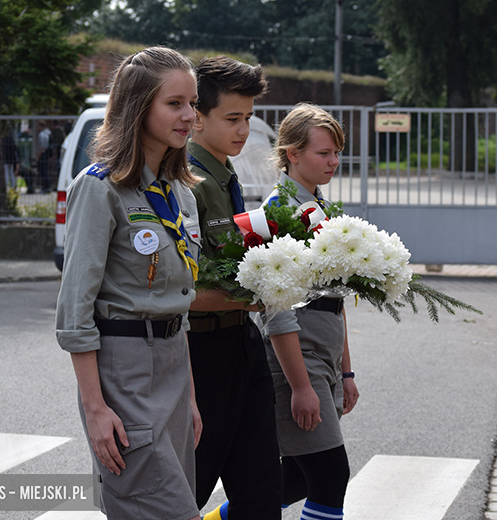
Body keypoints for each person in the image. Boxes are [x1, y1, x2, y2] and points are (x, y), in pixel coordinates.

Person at [55, 46, 203, 520]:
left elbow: (177, 302)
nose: (189, 115)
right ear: (139, 107)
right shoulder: (99, 188)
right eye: (174, 103)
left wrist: (191, 399)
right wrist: (95, 409)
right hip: (124, 370)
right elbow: (76, 311)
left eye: (192, 102)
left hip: (174, 366)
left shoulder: (180, 192)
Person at [186, 55, 282, 520]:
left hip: (243, 342)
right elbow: (185, 285)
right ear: (196, 116)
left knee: (261, 489)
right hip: (201, 352)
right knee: (191, 487)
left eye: (248, 118)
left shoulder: (226, 174)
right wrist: (260, 294)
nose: (244, 130)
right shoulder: (188, 182)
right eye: (232, 118)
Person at [256, 103, 360, 520]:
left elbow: (338, 300)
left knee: (296, 480)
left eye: (337, 153)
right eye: (324, 153)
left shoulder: (321, 208)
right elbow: (276, 309)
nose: (334, 162)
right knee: (331, 475)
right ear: (292, 153)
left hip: (325, 358)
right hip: (298, 362)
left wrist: (347, 371)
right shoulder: (278, 213)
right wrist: (301, 386)